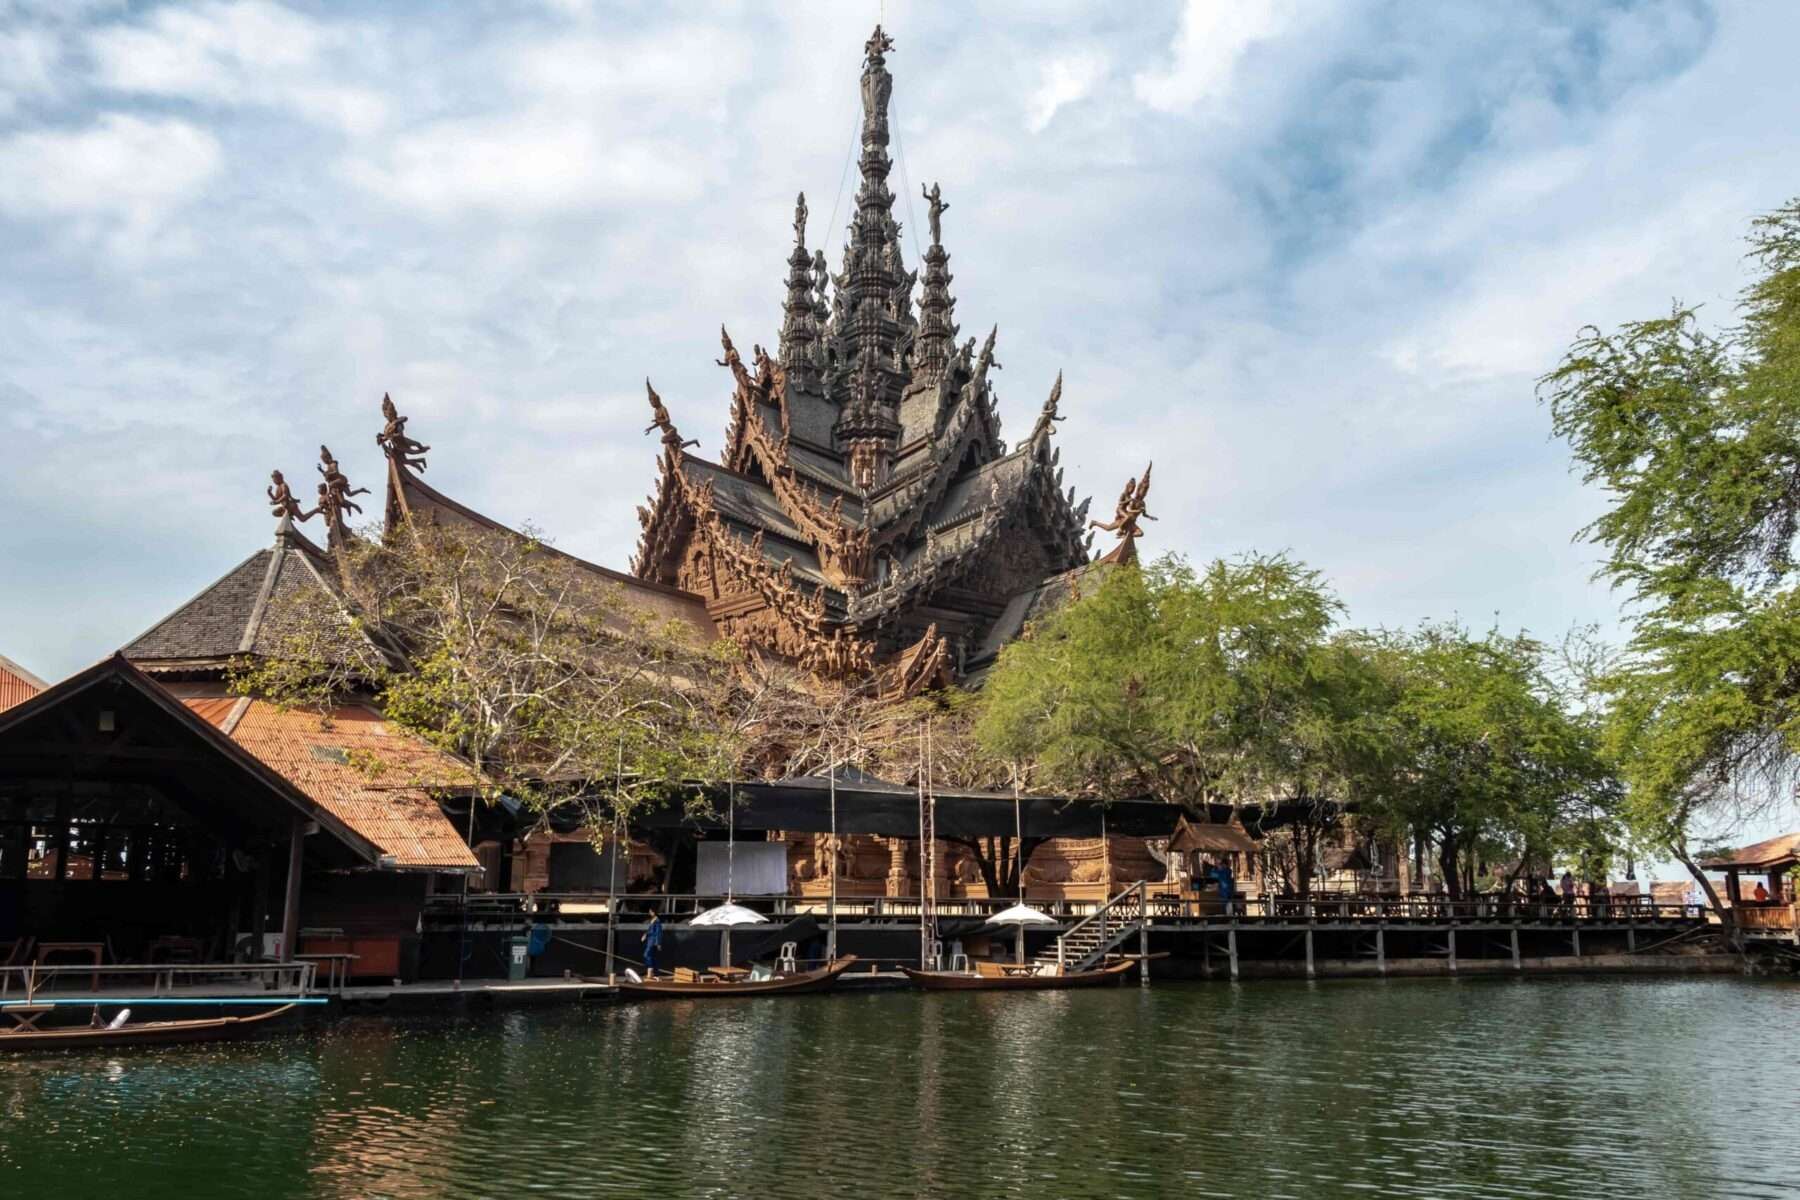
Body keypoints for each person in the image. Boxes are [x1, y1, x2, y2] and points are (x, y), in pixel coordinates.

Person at [641, 911, 663, 976]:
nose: (649, 913)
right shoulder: (653, 920)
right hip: (650, 940)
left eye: (651, 912)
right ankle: (654, 973)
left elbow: (658, 933)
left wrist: (658, 943)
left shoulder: (657, 921)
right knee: (652, 957)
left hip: (653, 941)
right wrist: (645, 935)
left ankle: (651, 969)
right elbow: (650, 930)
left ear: (654, 912)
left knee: (647, 955)